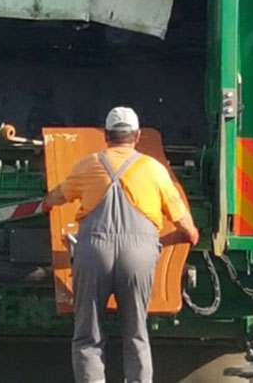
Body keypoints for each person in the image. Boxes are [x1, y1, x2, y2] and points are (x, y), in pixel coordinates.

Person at [43, 106, 199, 383]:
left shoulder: (88, 164)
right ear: (137, 136)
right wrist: (190, 234)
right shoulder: (155, 170)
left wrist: (44, 205)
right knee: (136, 333)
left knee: (88, 334)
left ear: (106, 135)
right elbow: (183, 222)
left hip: (94, 251)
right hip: (139, 255)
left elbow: (57, 197)